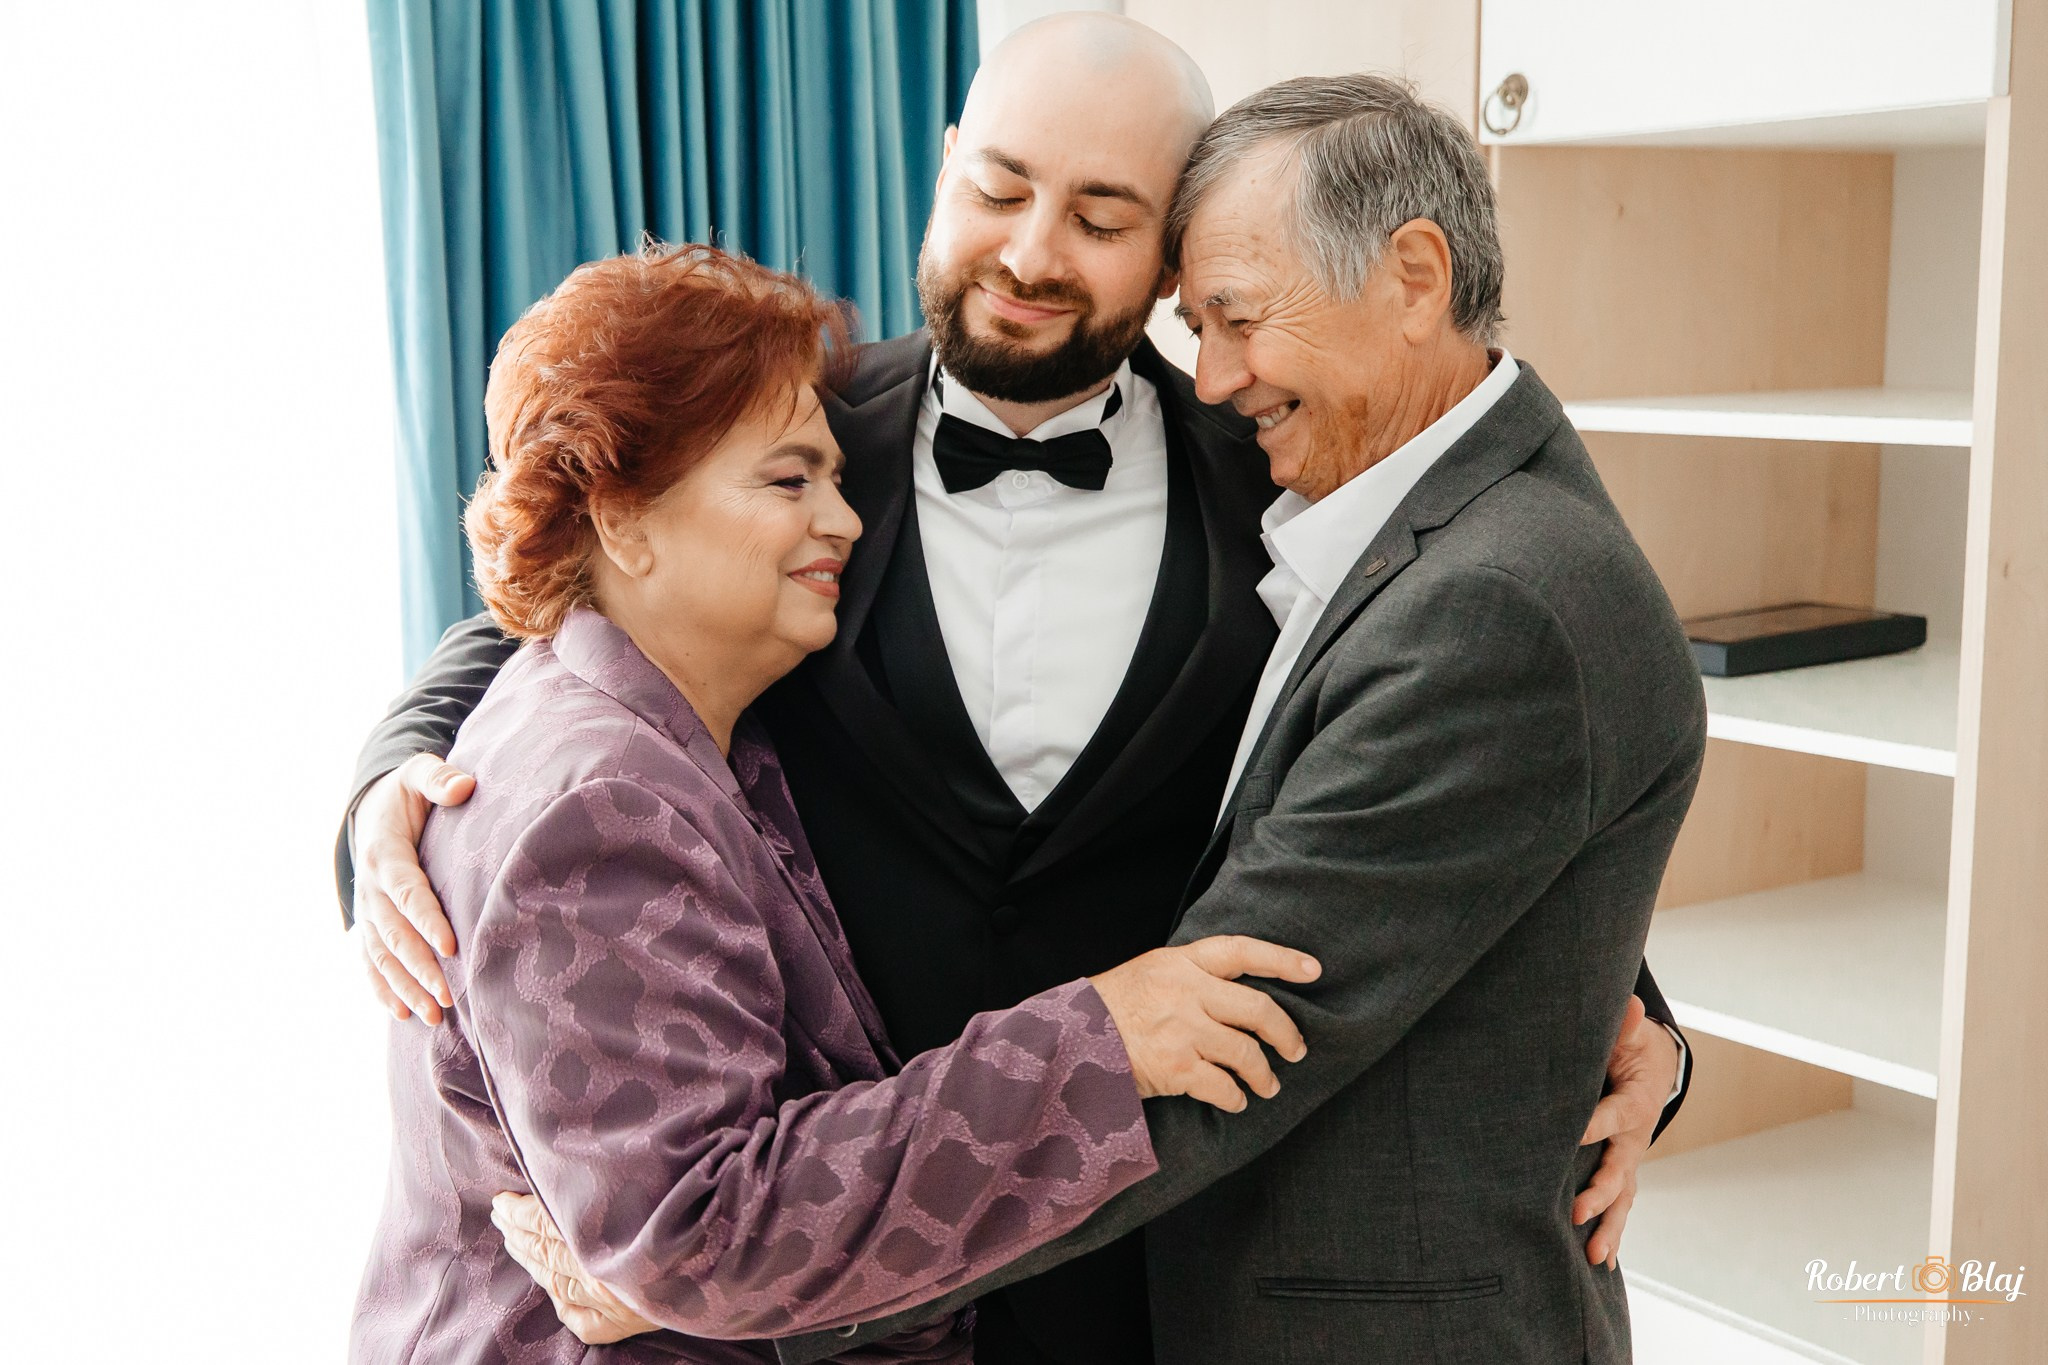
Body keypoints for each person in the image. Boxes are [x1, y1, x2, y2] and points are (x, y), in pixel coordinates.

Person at [339, 17, 1691, 1365]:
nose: (1032, 252)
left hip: (1141, 1270)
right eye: (996, 189)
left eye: (1102, 218)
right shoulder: (794, 442)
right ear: (941, 169)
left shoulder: (1285, 467)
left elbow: (1431, 773)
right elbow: (562, 606)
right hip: (840, 1250)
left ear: (1172, 253)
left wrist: (1623, 1009)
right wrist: (386, 785)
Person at [351, 241, 1323, 1365]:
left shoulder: (695, 728)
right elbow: (698, 1234)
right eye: (787, 482)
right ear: (620, 519)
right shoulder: (600, 801)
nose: (845, 524)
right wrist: (1101, 1044)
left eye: (833, 478)